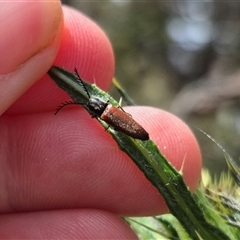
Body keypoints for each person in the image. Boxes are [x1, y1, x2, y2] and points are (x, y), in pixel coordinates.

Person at [0, 1, 202, 238]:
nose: (91, 105)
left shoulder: (104, 113)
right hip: (123, 122)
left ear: (97, 107)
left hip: (127, 126)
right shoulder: (108, 110)